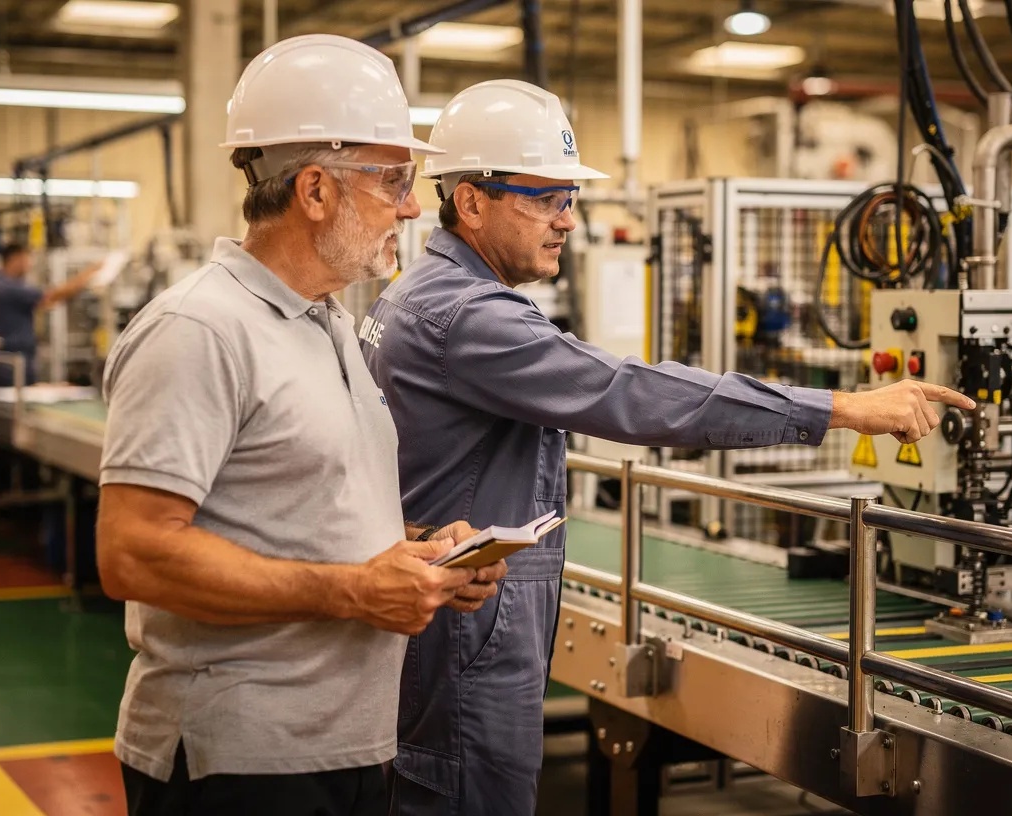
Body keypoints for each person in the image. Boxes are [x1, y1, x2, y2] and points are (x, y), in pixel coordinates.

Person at [359, 79, 978, 815]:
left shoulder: (424, 293)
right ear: (471, 202)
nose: (569, 220)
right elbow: (629, 393)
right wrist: (843, 407)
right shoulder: (465, 314)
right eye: (547, 198)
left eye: (571, 199)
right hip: (467, 635)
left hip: (459, 621)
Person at [94, 35, 506, 816]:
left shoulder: (329, 325)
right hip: (240, 764)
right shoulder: (200, 328)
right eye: (395, 181)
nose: (415, 207)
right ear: (315, 190)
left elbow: (303, 511)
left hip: (343, 745)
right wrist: (355, 591)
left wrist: (419, 555)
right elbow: (133, 552)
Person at [0, 242, 102, 387]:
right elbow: (52, 296)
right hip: (10, 365)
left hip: (8, 362)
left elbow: (47, 302)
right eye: (27, 259)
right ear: (15, 259)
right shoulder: (8, 288)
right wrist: (88, 275)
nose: (29, 265)